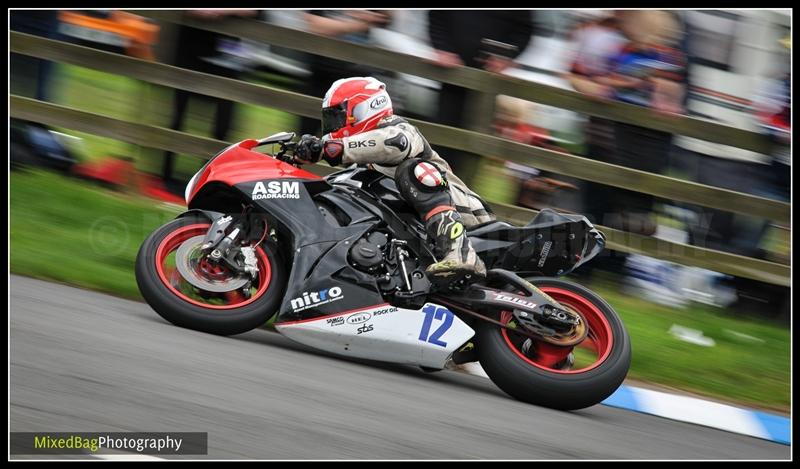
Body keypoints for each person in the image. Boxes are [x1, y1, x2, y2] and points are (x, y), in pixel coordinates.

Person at [294, 77, 494, 284]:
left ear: (362, 110)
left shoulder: (399, 130)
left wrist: (334, 148)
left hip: (471, 215)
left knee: (414, 171)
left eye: (337, 116)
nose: (333, 126)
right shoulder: (361, 166)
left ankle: (460, 252)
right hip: (423, 232)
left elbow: (395, 143)